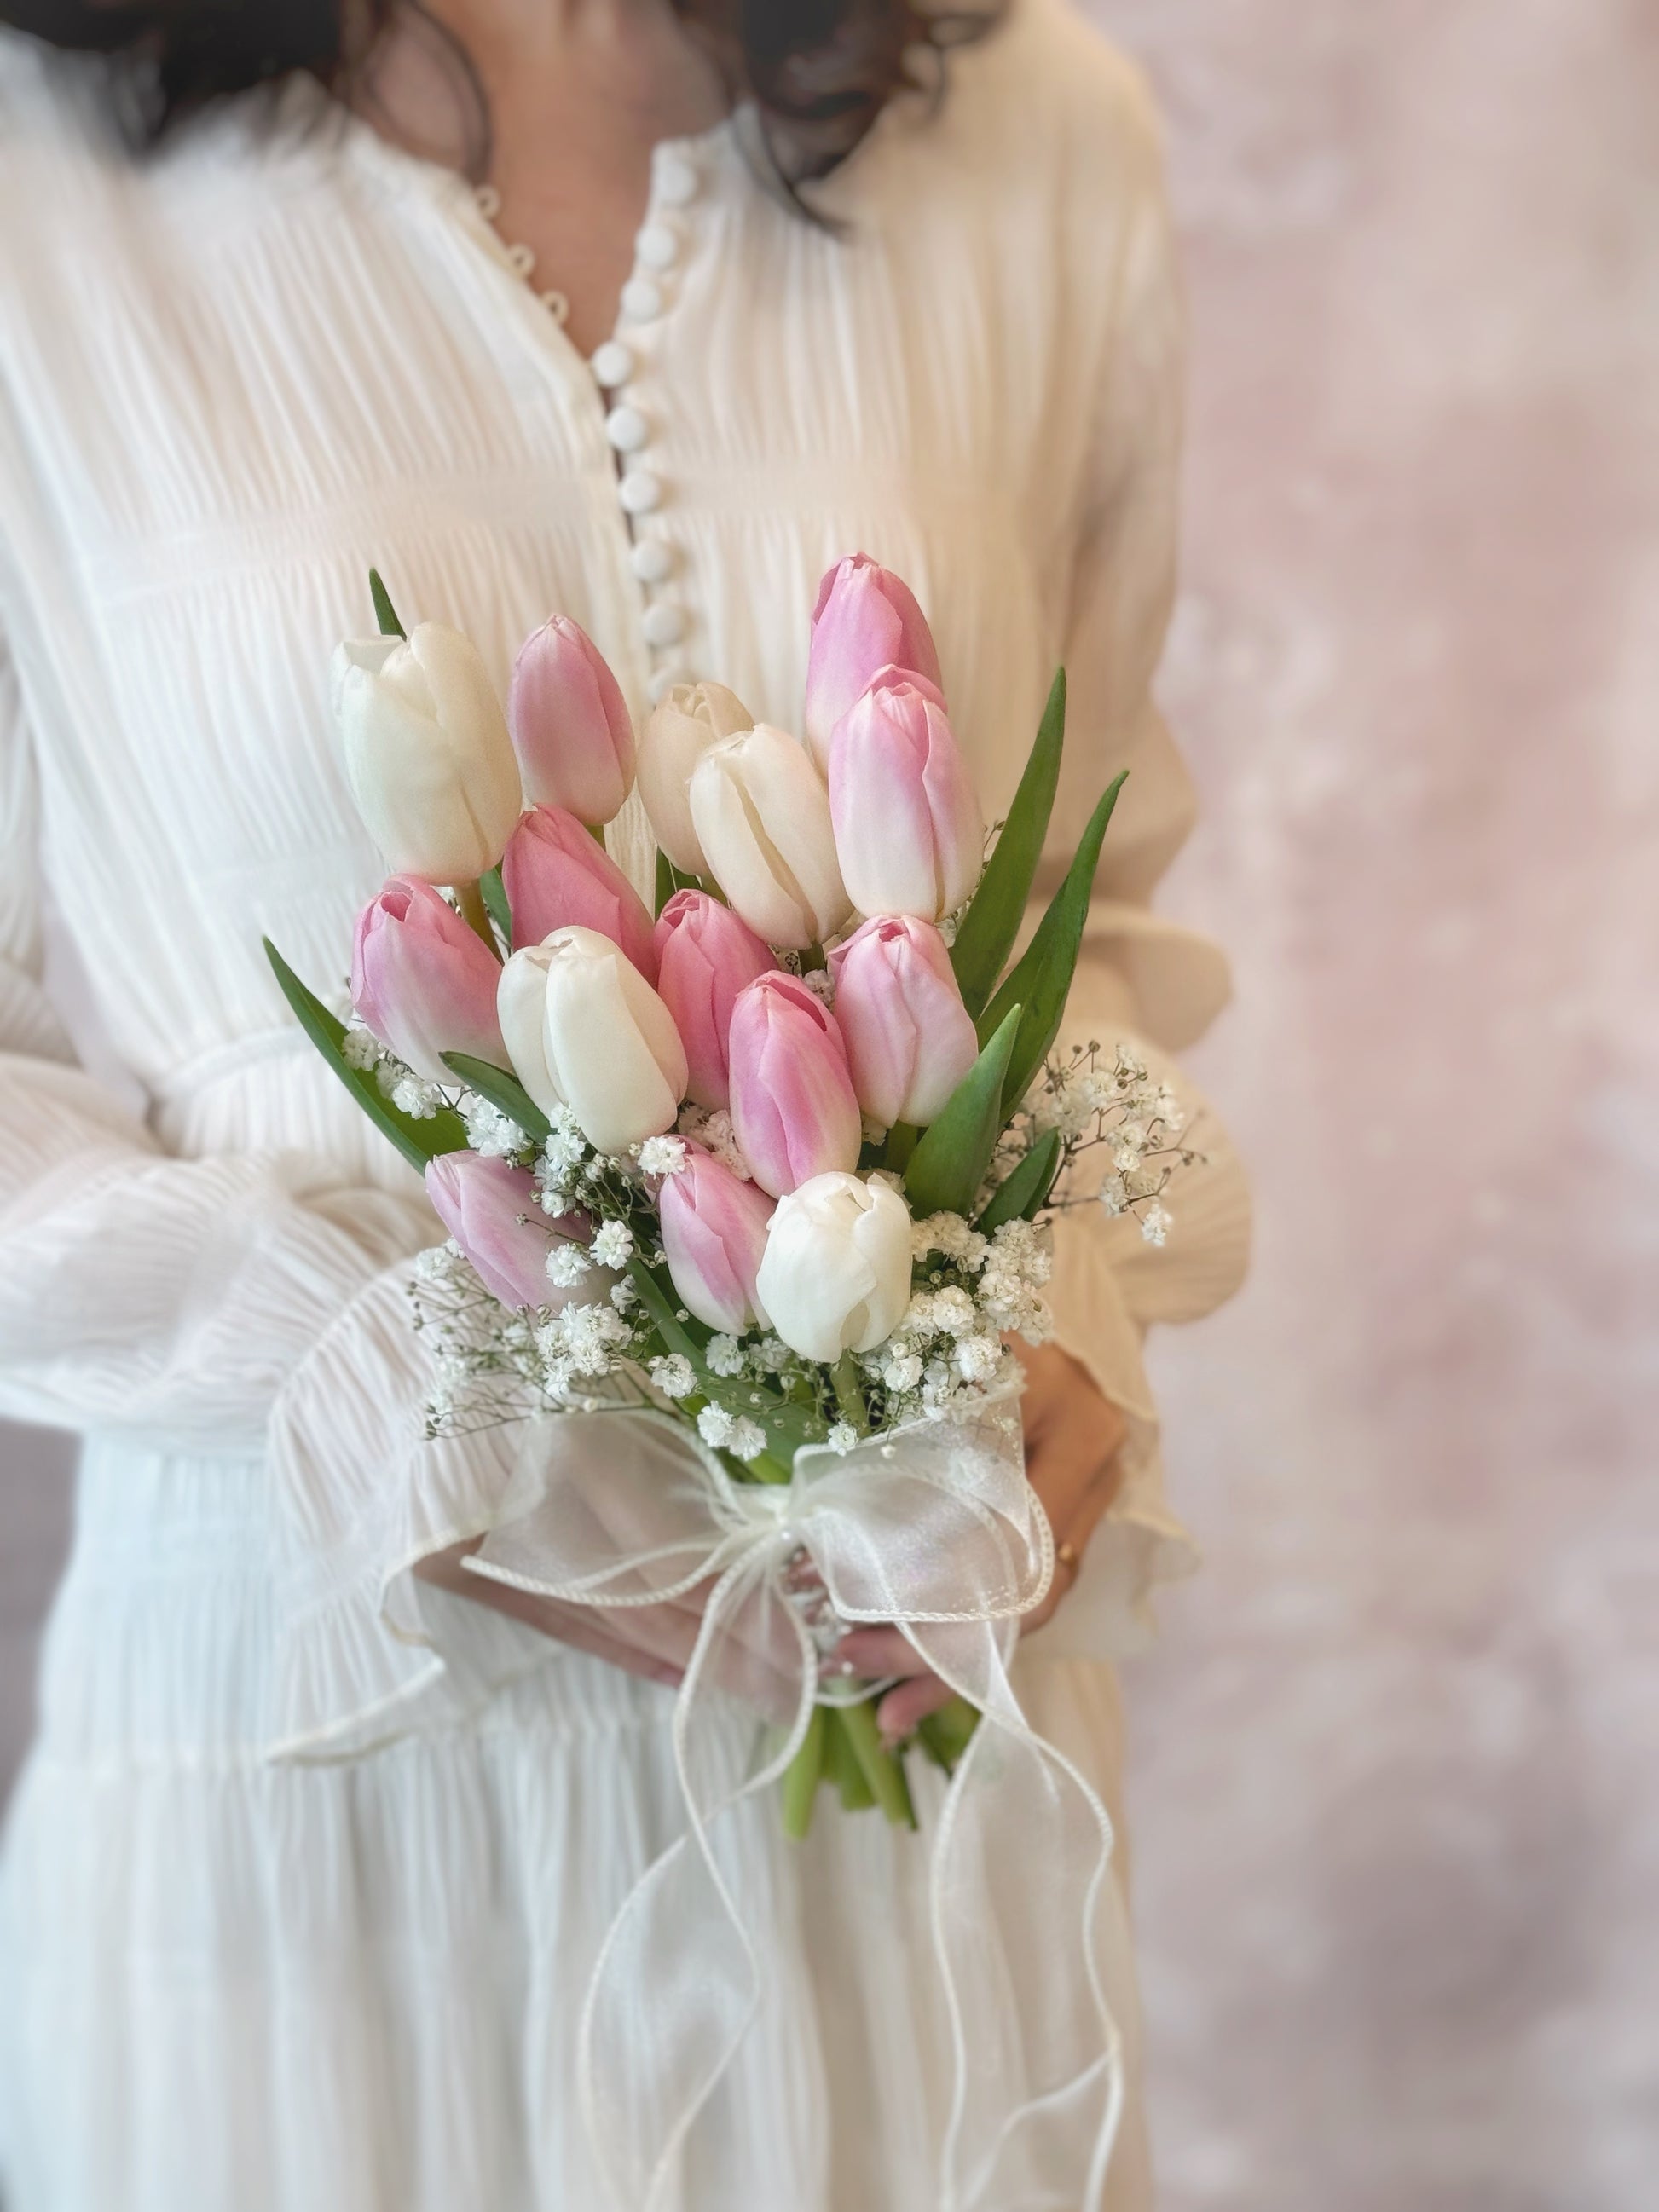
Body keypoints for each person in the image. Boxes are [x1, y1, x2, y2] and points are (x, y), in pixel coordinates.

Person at [0, 0, 1251, 2203]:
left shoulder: (1037, 131)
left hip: (906, 1777)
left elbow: (1088, 932)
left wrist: (1059, 1293)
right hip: (312, 1799)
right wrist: (385, 1379)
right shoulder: (31, 166)